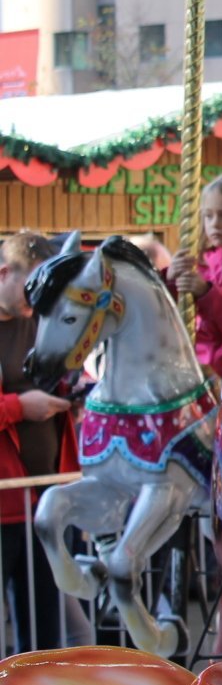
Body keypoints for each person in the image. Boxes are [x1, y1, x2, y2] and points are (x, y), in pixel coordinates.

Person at [0, 229, 76, 653]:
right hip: (5, 501)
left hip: (46, 496)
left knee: (45, 626)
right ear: (4, 273)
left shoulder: (40, 323)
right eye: (29, 285)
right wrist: (18, 407)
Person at [166, 174, 222, 379]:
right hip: (198, 365)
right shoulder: (202, 262)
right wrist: (170, 280)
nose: (215, 224)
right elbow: (169, 316)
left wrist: (207, 293)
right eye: (208, 216)